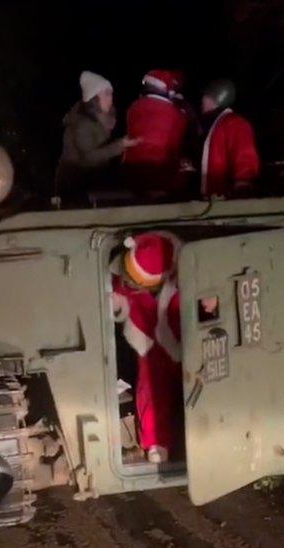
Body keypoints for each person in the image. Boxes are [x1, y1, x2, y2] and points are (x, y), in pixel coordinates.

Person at [110, 232, 183, 464]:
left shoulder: (184, 273)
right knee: (151, 388)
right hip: (149, 345)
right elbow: (116, 293)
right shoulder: (126, 271)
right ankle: (156, 442)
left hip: (184, 339)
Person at [55, 71, 139, 206]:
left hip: (93, 179)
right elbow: (88, 157)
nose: (110, 98)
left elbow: (103, 151)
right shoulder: (82, 123)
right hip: (75, 183)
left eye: (111, 93)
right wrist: (120, 145)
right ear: (94, 98)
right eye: (106, 94)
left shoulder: (103, 119)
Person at [122, 70, 191, 198]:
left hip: (133, 173)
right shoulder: (175, 114)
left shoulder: (133, 108)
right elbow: (180, 140)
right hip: (161, 174)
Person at [198, 79, 261, 198]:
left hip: (224, 198)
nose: (202, 100)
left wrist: (243, 182)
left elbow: (244, 153)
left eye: (207, 96)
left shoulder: (234, 123)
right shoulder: (214, 125)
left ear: (219, 98)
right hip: (212, 199)